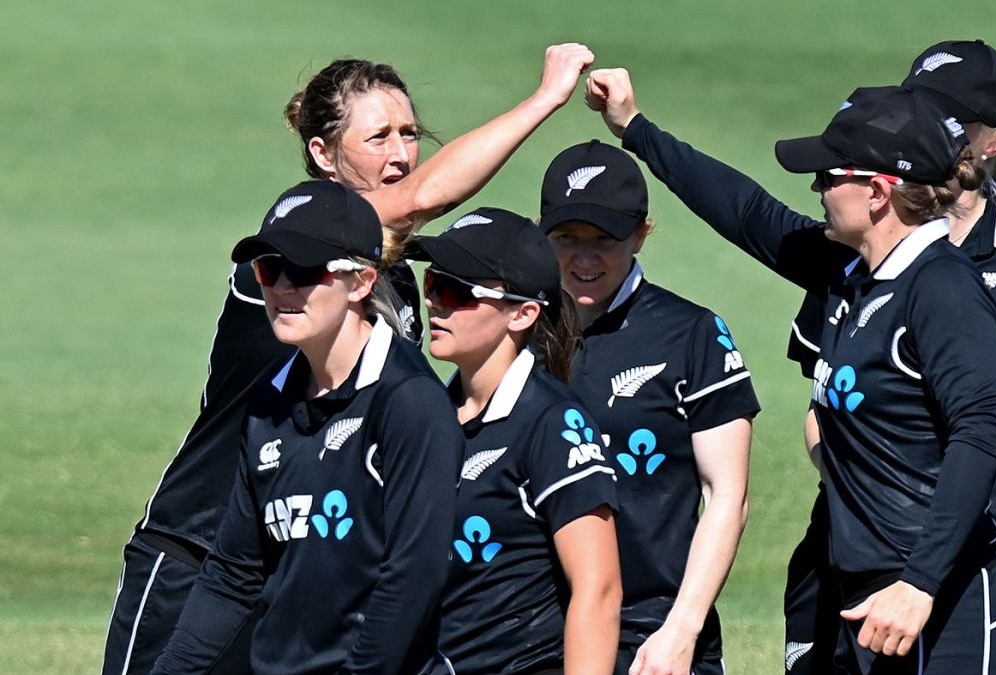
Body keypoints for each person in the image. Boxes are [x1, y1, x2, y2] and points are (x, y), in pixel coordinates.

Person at [104, 44, 595, 675]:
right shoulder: (291, 258)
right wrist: (545, 98)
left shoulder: (389, 291)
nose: (400, 154)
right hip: (198, 557)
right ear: (323, 155)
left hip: (301, 571)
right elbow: (420, 200)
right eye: (378, 137)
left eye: (409, 134)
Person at [587, 73, 996, 673]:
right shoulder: (851, 273)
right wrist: (635, 129)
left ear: (877, 191)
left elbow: (981, 432)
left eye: (828, 176)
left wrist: (920, 583)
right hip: (864, 590)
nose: (817, 188)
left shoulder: (941, 289)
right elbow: (746, 211)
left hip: (938, 600)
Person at [785, 40, 996, 675]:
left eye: (954, 118)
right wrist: (872, 508)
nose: (933, 123)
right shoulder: (857, 250)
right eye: (919, 105)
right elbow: (823, 405)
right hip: (849, 549)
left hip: (970, 555)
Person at [150, 180, 463, 675]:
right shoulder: (269, 404)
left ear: (360, 281)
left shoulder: (408, 402)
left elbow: (413, 578)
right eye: (269, 270)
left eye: (302, 270)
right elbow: (233, 574)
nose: (281, 289)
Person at [538, 141, 761, 675]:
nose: (584, 258)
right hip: (543, 635)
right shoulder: (520, 333)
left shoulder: (692, 334)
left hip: (653, 636)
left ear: (641, 234)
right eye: (567, 239)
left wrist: (681, 631)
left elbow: (726, 494)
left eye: (605, 240)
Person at [408, 208, 622, 675]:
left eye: (457, 292)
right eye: (432, 285)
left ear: (523, 314)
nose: (434, 304)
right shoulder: (426, 415)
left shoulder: (551, 422)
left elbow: (598, 589)